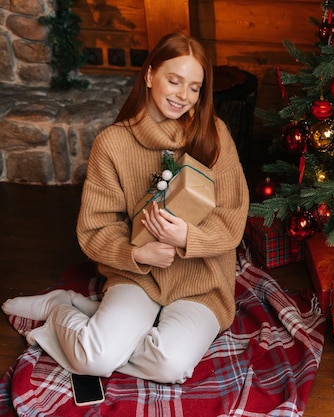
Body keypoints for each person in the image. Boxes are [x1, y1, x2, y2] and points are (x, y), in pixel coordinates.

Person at [1, 32, 250, 384]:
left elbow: (233, 216)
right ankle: (59, 310)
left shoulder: (214, 134)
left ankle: (96, 320)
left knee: (172, 366)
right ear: (149, 76)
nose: (183, 95)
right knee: (95, 360)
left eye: (194, 87)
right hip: (139, 276)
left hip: (201, 282)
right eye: (174, 80)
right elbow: (95, 229)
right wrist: (139, 254)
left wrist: (188, 237)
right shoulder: (112, 143)